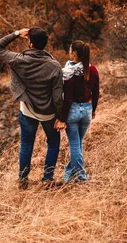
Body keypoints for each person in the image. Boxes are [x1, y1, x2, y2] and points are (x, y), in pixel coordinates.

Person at [0, 28, 64, 189]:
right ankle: (47, 179)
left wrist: (17, 33)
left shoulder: (18, 59)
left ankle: (23, 180)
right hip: (48, 113)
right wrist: (60, 116)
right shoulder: (54, 66)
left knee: (26, 145)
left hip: (27, 110)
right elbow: (58, 96)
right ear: (45, 45)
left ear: (31, 43)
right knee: (53, 143)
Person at [54, 40, 100, 183]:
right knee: (78, 143)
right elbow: (96, 92)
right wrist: (93, 110)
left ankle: (81, 176)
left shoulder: (68, 73)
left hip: (73, 111)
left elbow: (68, 98)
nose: (68, 52)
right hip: (86, 110)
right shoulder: (93, 70)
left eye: (69, 49)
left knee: (75, 145)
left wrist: (62, 118)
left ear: (74, 53)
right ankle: (69, 174)